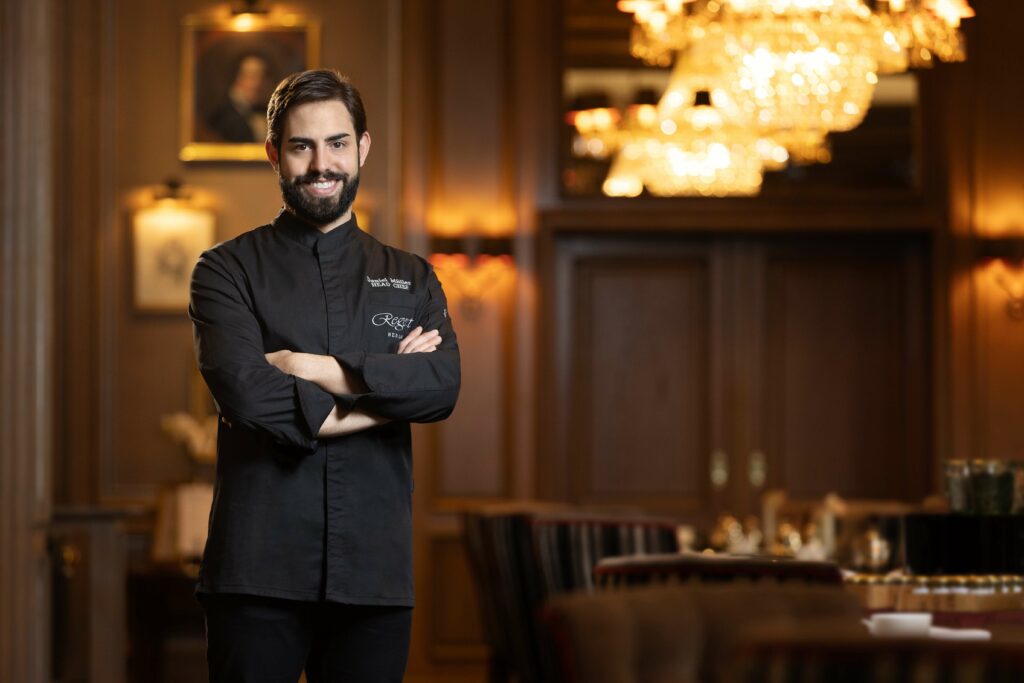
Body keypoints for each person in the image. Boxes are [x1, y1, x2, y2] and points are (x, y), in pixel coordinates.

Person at [189, 69, 460, 683]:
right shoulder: (224, 271)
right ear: (273, 154)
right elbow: (251, 398)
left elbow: (442, 385)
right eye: (301, 146)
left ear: (362, 147)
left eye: (337, 143)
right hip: (256, 575)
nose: (321, 165)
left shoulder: (413, 276)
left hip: (374, 577)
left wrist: (311, 368)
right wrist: (390, 392)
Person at [205, 53, 270, 142]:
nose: (258, 83)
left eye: (262, 77)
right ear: (237, 78)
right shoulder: (222, 115)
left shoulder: (263, 110)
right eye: (253, 76)